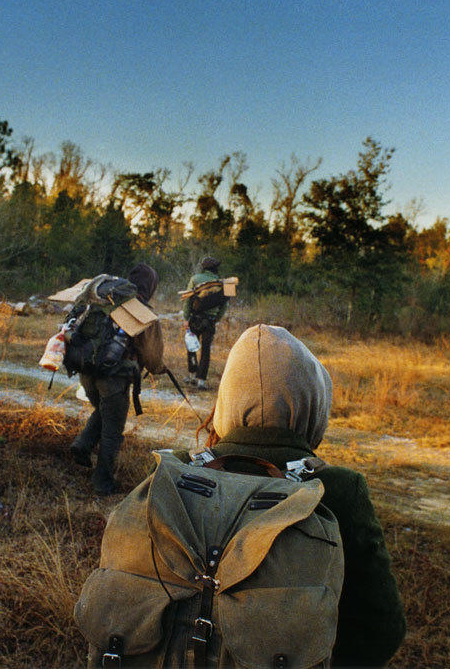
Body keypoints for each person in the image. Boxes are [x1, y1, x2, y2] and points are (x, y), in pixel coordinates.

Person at [198, 324, 406, 667]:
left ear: (226, 399)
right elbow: (382, 627)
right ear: (312, 404)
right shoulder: (337, 490)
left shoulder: (176, 473)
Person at [69, 263, 165, 496]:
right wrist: (159, 368)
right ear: (150, 286)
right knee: (112, 429)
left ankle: (82, 445)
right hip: (113, 377)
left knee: (104, 412)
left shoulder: (103, 298)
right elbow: (153, 359)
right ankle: (103, 481)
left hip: (85, 370)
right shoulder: (141, 311)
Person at [181, 256, 227, 390]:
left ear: (203, 267)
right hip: (210, 321)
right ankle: (201, 380)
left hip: (195, 319)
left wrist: (185, 318)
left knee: (191, 347)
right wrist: (216, 319)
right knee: (206, 350)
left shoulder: (195, 279)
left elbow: (188, 301)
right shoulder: (221, 283)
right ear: (215, 268)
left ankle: (192, 375)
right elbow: (224, 305)